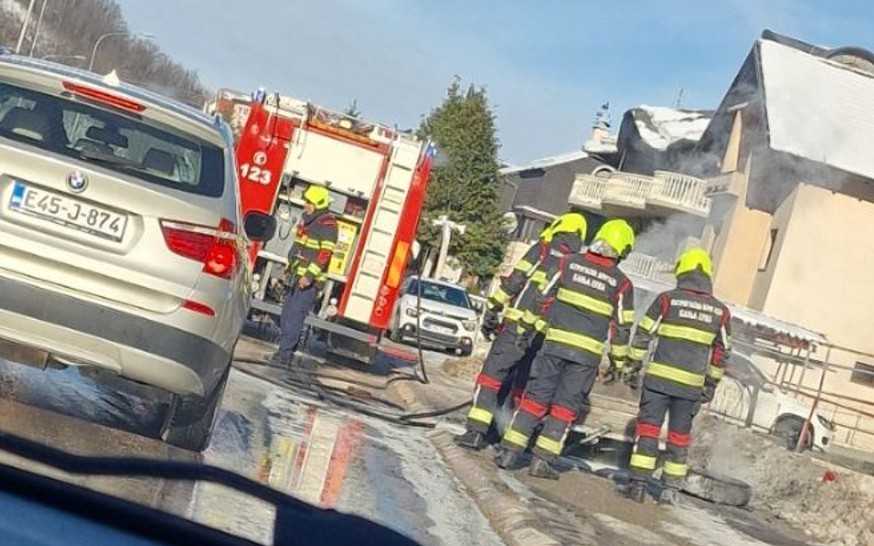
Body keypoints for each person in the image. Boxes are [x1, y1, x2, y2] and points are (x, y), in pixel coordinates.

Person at [497, 219, 636, 479]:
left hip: (553, 347)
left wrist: (524, 330)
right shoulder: (622, 284)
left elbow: (542, 299)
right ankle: (541, 461)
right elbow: (622, 328)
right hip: (584, 358)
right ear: (624, 249)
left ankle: (509, 452)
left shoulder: (567, 263)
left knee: (535, 399)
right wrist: (619, 363)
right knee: (564, 408)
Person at [455, 212, 587, 451]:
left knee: (492, 379)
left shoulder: (542, 250)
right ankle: (507, 438)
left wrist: (493, 308)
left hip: (516, 329)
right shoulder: (576, 265)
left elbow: (515, 281)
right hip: (543, 339)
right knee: (523, 387)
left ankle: (476, 433)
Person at [623, 247, 731, 505]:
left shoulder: (666, 300)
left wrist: (632, 367)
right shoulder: (720, 312)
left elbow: (643, 335)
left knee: (648, 431)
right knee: (679, 437)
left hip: (658, 383)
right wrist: (710, 385)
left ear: (682, 271)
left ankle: (638, 486)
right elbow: (722, 353)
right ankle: (670, 491)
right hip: (690, 388)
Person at [272, 184, 338, 366]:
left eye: (309, 202)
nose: (306, 205)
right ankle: (284, 351)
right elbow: (299, 247)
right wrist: (290, 267)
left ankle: (284, 355)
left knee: (294, 317)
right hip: (296, 277)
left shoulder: (328, 224)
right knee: (286, 315)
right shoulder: (309, 221)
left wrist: (309, 276)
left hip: (308, 282)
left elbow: (325, 254)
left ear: (319, 204)